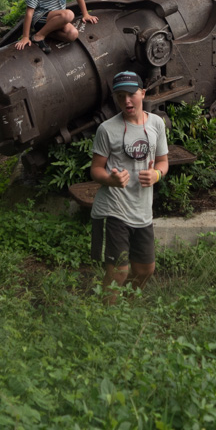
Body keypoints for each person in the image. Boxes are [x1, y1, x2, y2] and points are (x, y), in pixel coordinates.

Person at [89, 71, 169, 303]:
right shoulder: (107, 129)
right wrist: (110, 180)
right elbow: (95, 169)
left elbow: (163, 162)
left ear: (142, 93)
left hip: (143, 209)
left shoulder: (156, 124)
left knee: (145, 269)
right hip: (115, 208)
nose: (126, 101)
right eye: (120, 95)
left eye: (131, 94)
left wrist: (156, 174)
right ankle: (107, 319)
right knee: (119, 271)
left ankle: (124, 307)